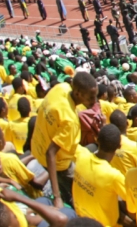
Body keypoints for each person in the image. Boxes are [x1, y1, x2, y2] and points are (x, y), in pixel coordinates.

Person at [32, 70, 98, 208]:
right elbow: (51, 153)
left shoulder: (60, 88)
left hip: (37, 146)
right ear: (78, 93)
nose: (94, 101)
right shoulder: (70, 122)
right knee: (81, 190)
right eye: (91, 97)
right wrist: (57, 197)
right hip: (59, 163)